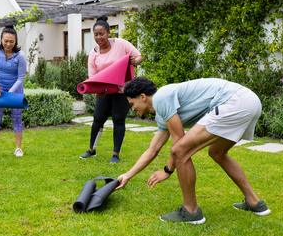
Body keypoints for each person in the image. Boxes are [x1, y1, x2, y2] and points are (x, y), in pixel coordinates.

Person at [115, 77, 271, 224]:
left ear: (143, 97)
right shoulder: (163, 113)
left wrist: (167, 171)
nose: (133, 109)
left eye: (132, 103)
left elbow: (178, 140)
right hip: (249, 101)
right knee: (217, 152)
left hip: (234, 102)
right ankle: (254, 202)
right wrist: (127, 175)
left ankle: (191, 211)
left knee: (180, 151)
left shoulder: (160, 98)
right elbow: (152, 150)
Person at [79, 15, 143, 164]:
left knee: (118, 120)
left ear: (109, 33)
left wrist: (135, 61)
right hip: (105, 91)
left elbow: (138, 57)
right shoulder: (93, 53)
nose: (98, 37)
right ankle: (92, 150)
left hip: (123, 90)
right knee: (98, 119)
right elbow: (93, 77)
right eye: (96, 34)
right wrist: (97, 93)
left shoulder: (121, 44)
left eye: (102, 33)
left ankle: (116, 154)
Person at [0, 25, 27, 158]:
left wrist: (10, 93)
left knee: (16, 117)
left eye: (11, 41)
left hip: (15, 89)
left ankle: (18, 149)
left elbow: (21, 77)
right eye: (5, 41)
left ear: (16, 41)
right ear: (1, 39)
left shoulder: (20, 55)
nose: (8, 44)